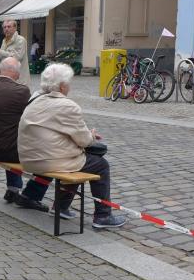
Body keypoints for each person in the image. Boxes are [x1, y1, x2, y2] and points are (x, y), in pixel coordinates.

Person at [18, 63, 127, 228]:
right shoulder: (67, 105)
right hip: (48, 160)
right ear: (62, 86)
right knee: (100, 165)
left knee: (76, 160)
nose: (69, 87)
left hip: (29, 158)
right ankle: (103, 215)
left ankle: (59, 207)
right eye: (69, 83)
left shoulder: (34, 99)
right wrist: (91, 135)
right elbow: (84, 141)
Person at [0, 58, 49, 210]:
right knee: (49, 156)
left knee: (9, 135)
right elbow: (33, 118)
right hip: (6, 151)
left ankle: (13, 189)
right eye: (19, 72)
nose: (19, 75)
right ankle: (31, 195)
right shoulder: (21, 91)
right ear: (15, 73)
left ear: (0, 70)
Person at [0, 18, 30, 86]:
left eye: (9, 27)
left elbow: (17, 57)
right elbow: (2, 58)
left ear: (15, 28)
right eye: (4, 27)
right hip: (7, 78)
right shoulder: (4, 41)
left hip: (19, 80)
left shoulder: (21, 40)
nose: (6, 29)